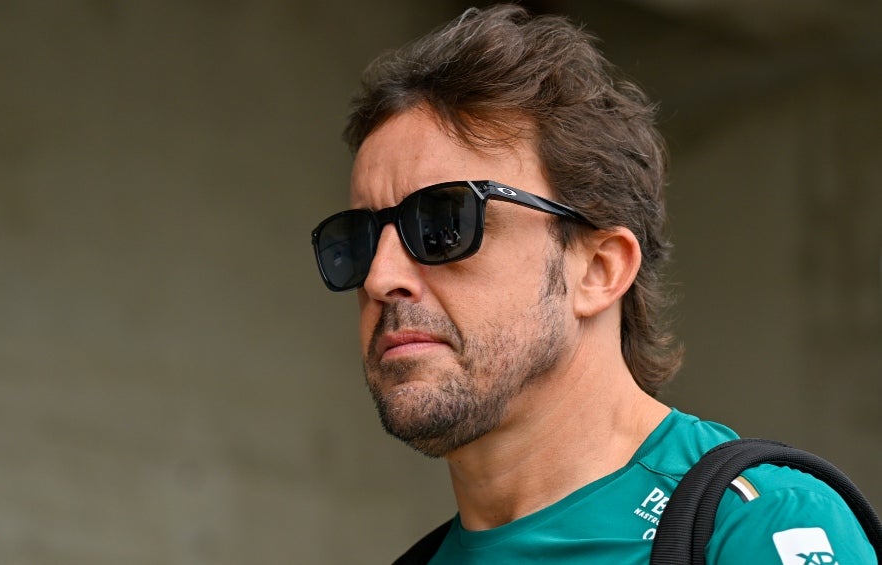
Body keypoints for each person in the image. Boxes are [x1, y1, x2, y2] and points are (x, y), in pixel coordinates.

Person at [310, 5, 875, 563]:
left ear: (600, 270)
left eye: (442, 225)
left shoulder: (761, 527)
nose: (381, 277)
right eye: (358, 240)